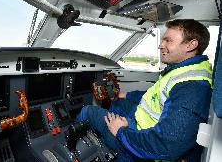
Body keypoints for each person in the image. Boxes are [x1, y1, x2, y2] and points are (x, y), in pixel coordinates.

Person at [76, 19, 213, 162]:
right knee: (114, 103)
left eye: (168, 41)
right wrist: (125, 95)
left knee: (88, 111)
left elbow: (165, 145)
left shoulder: (192, 86)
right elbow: (154, 96)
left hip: (147, 143)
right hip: (145, 121)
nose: (161, 45)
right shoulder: (186, 69)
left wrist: (121, 131)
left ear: (191, 45)